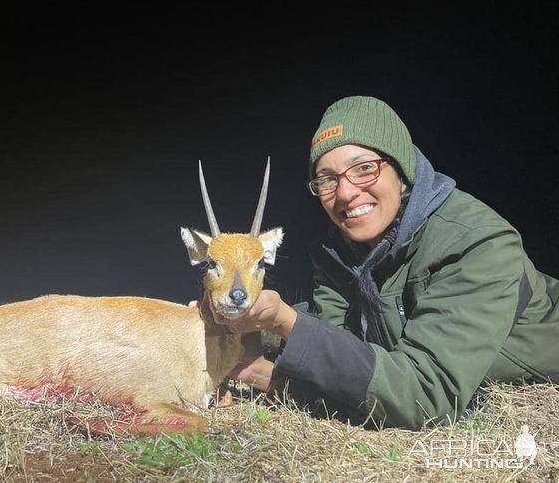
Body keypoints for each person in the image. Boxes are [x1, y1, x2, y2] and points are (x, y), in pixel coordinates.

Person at [225, 95, 559, 430]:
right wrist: (256, 370)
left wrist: (287, 321)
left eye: (364, 168)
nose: (345, 193)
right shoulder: (339, 253)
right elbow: (352, 378)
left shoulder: (478, 244)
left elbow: (423, 398)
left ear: (402, 170)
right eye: (327, 179)